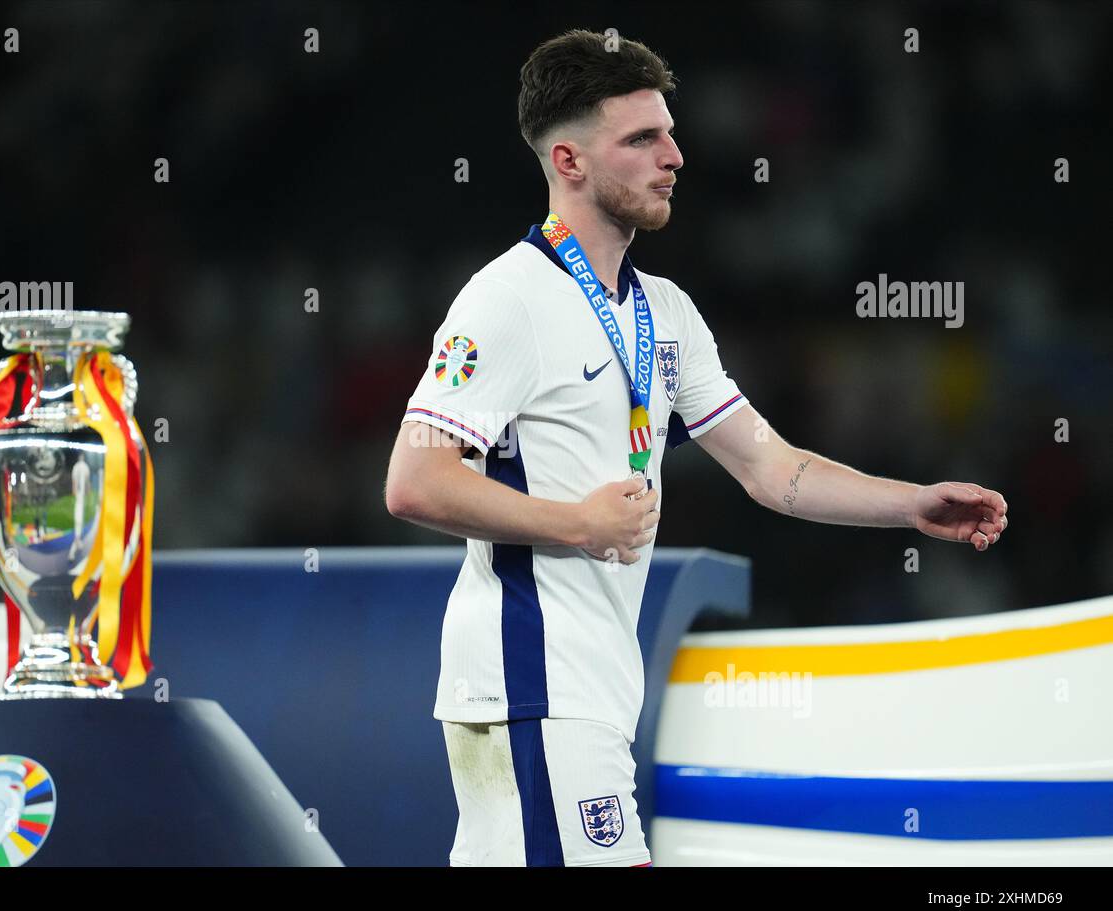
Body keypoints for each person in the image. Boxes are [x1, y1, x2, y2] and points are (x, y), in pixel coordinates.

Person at [384, 28, 1008, 868]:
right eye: (641, 139)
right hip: (531, 678)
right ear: (568, 161)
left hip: (590, 687)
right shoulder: (507, 300)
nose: (674, 155)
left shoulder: (665, 313)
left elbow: (771, 468)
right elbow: (415, 480)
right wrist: (578, 523)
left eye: (670, 132)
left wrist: (911, 503)